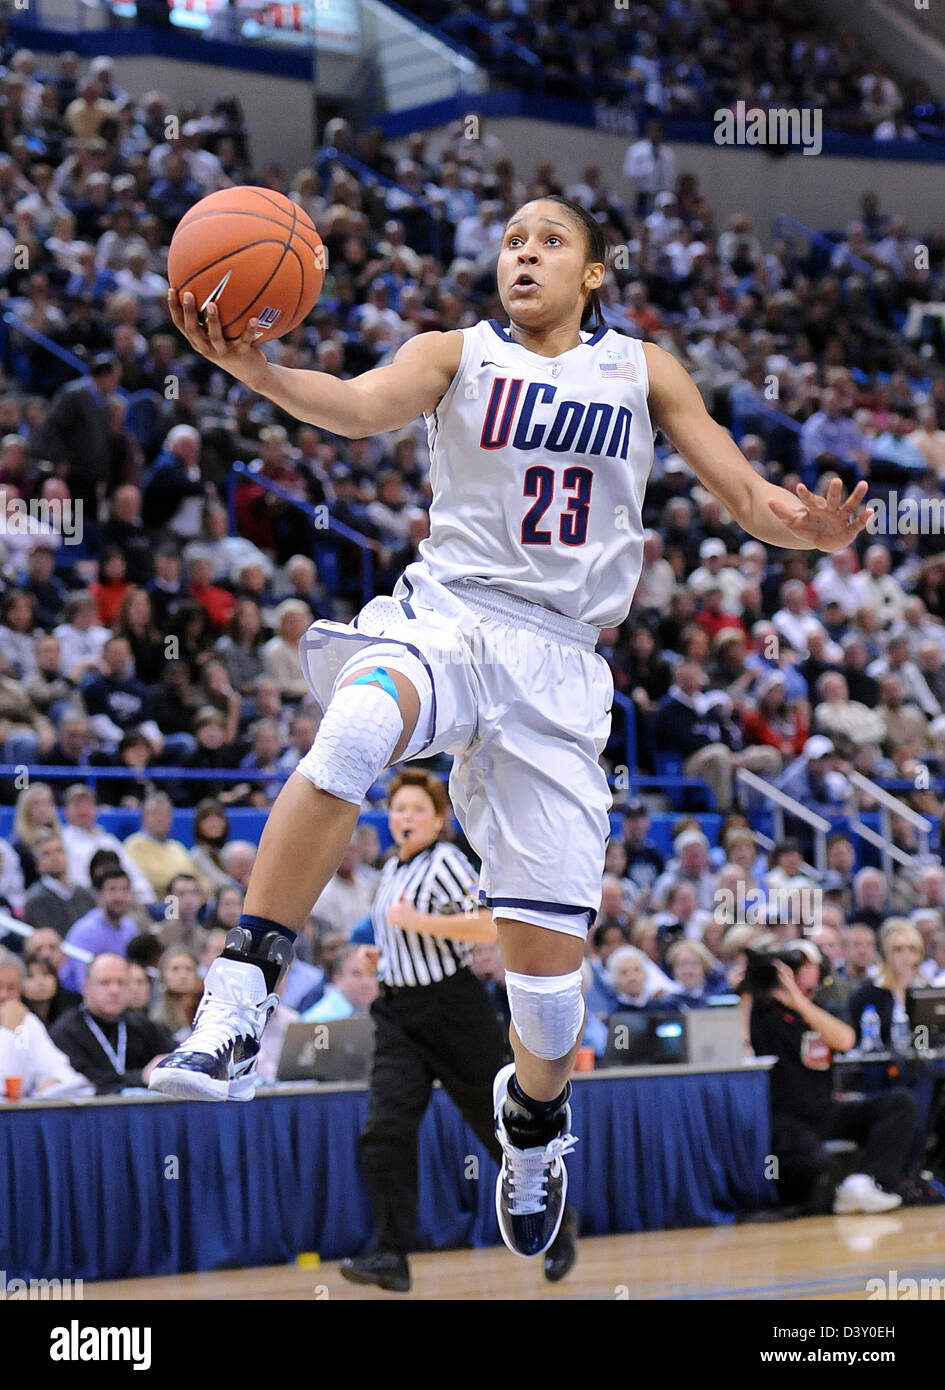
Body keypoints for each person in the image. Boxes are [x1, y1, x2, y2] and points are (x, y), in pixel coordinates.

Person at [149, 193, 874, 1263]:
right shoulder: (455, 353)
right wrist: (258, 372)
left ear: (592, 272)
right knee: (352, 731)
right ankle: (240, 995)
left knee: (545, 1007)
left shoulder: (644, 368)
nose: (523, 253)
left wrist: (806, 529)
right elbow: (356, 404)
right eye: (511, 241)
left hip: (563, 669)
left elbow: (742, 490)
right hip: (452, 615)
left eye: (550, 241)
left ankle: (533, 1125)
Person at [749, 942, 915, 1214]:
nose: (797, 971)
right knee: (815, 1162)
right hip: (784, 1117)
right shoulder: (761, 1013)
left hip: (826, 1110)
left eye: (805, 964)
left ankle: (865, 1184)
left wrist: (799, 1002)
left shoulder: (823, 1009)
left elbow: (846, 1040)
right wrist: (746, 994)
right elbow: (741, 1041)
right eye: (793, 964)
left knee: (900, 1103)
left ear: (818, 970)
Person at [50, 952, 175, 1094]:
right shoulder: (64, 1032)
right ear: (86, 988)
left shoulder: (142, 1025)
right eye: (105, 983)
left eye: (121, 983)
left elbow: (172, 1053)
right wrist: (139, 1077)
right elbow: (84, 1082)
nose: (114, 990)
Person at [0, 947, 90, 1098]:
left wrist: (55, 1081)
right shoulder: (13, 1019)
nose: (4, 995)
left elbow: (59, 1070)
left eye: (12, 988)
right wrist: (8, 1032)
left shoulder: (26, 1022)